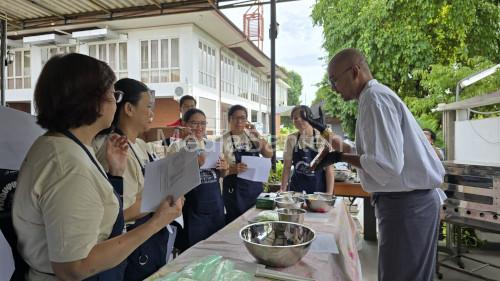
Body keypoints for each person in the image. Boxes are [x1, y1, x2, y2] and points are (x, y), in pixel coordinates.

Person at [12, 53, 183, 281]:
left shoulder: (67, 146)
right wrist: (156, 222)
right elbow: (75, 267)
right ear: (92, 101)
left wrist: (115, 175)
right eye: (114, 94)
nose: (116, 101)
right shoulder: (69, 165)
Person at [313, 48, 445, 281]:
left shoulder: (375, 98)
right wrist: (340, 151)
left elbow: (387, 165)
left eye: (334, 80)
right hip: (405, 201)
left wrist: (340, 158)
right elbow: (371, 155)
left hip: (409, 204)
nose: (333, 88)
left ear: (355, 71)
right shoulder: (372, 97)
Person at [94, 78, 170, 281]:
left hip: (149, 239)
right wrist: (164, 200)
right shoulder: (116, 148)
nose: (152, 113)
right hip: (130, 243)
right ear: (128, 108)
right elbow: (122, 213)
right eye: (148, 107)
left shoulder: (141, 145)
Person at [167, 108, 228, 252]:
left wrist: (224, 168)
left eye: (203, 123)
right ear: (185, 124)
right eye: (194, 123)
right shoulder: (177, 147)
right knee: (192, 253)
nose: (199, 127)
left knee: (215, 251)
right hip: (192, 209)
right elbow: (171, 179)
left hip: (215, 206)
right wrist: (194, 164)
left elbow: (222, 175)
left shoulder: (211, 145)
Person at [221, 105, 273, 223]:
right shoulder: (222, 141)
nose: (239, 121)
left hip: (254, 189)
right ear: (229, 119)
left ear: (247, 120)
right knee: (236, 224)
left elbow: (269, 154)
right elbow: (218, 171)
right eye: (235, 118)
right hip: (234, 191)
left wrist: (256, 134)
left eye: (243, 118)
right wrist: (233, 168)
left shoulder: (252, 136)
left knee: (256, 221)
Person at [280, 105, 334, 194]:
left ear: (310, 118)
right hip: (296, 190)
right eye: (295, 118)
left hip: (318, 190)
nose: (299, 120)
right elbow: (287, 167)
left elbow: (329, 170)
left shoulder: (322, 137)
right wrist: (282, 189)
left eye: (303, 117)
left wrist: (329, 194)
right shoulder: (291, 139)